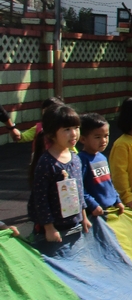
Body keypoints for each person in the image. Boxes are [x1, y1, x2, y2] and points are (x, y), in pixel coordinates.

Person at [27, 104, 91, 243]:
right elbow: (40, 199)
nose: (74, 133)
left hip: (74, 225)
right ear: (51, 134)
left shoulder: (75, 158)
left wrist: (84, 217)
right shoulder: (46, 163)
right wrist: (49, 228)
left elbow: (79, 190)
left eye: (76, 128)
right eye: (67, 129)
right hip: (53, 231)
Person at [78, 113, 124, 217]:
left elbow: (108, 182)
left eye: (106, 136)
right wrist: (92, 205)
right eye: (97, 137)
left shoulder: (102, 157)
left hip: (109, 209)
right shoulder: (81, 160)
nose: (103, 140)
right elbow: (79, 187)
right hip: (94, 212)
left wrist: (117, 200)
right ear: (83, 139)